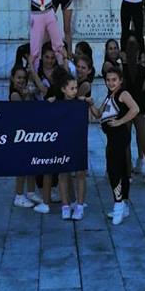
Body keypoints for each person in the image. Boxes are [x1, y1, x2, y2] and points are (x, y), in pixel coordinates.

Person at [90, 65, 138, 226]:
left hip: (119, 137)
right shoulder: (109, 95)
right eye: (108, 80)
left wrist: (120, 122)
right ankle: (124, 205)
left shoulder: (123, 94)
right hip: (112, 138)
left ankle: (118, 205)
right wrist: (90, 103)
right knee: (122, 170)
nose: (111, 83)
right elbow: (98, 114)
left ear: (120, 80)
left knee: (114, 170)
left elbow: (135, 109)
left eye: (114, 80)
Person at [49, 74, 91, 220]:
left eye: (76, 88)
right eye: (72, 88)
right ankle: (65, 206)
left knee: (80, 173)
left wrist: (88, 101)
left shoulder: (80, 103)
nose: (75, 91)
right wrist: (50, 103)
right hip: (62, 142)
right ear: (63, 89)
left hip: (78, 141)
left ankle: (80, 205)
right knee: (63, 174)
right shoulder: (57, 103)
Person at [123, 35, 145, 185]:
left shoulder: (122, 69)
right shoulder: (143, 69)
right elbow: (144, 88)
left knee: (125, 141)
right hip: (140, 107)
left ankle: (127, 174)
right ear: (138, 52)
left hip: (126, 108)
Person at [9, 66, 43, 210]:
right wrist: (28, 95)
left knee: (31, 164)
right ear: (12, 78)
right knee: (22, 165)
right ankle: (19, 195)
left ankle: (30, 191)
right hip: (19, 133)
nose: (21, 80)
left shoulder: (24, 92)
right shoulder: (14, 95)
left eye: (24, 78)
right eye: (19, 77)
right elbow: (25, 110)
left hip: (28, 131)